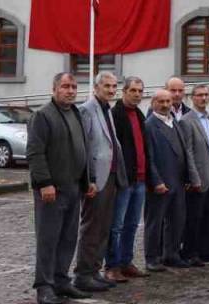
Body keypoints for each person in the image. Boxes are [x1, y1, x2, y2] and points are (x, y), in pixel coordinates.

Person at [28, 73, 96, 304]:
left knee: (68, 238)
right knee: (48, 239)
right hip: (52, 191)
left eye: (73, 87)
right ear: (54, 88)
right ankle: (44, 286)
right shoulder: (42, 115)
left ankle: (61, 281)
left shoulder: (75, 113)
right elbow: (35, 153)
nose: (70, 91)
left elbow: (83, 149)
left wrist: (89, 180)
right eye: (65, 86)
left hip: (74, 188)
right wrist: (44, 183)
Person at [74, 71, 126, 293]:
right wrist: (89, 179)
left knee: (104, 227)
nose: (112, 90)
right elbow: (84, 148)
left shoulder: (107, 110)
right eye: (107, 86)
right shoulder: (87, 110)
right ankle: (83, 275)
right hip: (97, 179)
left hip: (112, 177)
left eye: (114, 86)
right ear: (96, 87)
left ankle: (95, 271)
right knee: (91, 227)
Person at [144, 87, 199, 271]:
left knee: (177, 220)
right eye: (161, 101)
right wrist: (156, 181)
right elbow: (149, 157)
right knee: (155, 222)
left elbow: (183, 150)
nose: (166, 104)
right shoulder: (150, 125)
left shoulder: (173, 121)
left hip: (178, 180)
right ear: (153, 103)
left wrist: (189, 176)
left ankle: (171, 254)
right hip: (161, 182)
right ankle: (152, 258)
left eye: (168, 101)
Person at [107, 77, 149, 281]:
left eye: (140, 91)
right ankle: (112, 265)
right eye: (133, 90)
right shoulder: (115, 114)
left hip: (140, 180)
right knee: (116, 225)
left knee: (132, 224)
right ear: (123, 91)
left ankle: (126, 261)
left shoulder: (140, 114)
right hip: (123, 181)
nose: (137, 94)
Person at [180, 85, 209, 265]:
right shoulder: (187, 120)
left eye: (206, 95)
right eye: (200, 95)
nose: (204, 99)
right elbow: (188, 151)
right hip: (199, 175)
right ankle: (191, 252)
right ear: (192, 98)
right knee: (195, 216)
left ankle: (207, 249)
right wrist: (194, 177)